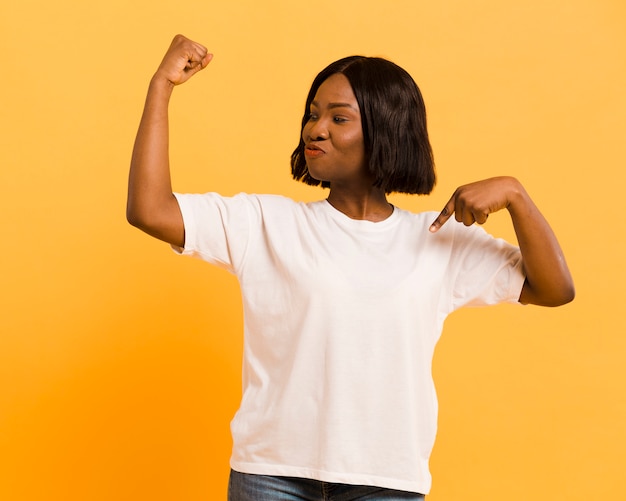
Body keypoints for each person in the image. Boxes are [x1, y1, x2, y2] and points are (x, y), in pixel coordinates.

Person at [127, 34, 575, 500]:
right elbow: (150, 209)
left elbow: (553, 288)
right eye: (313, 114)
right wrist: (162, 86)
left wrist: (517, 197)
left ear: (386, 130)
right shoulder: (266, 223)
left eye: (339, 117)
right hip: (270, 475)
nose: (315, 128)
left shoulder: (439, 239)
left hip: (387, 484)